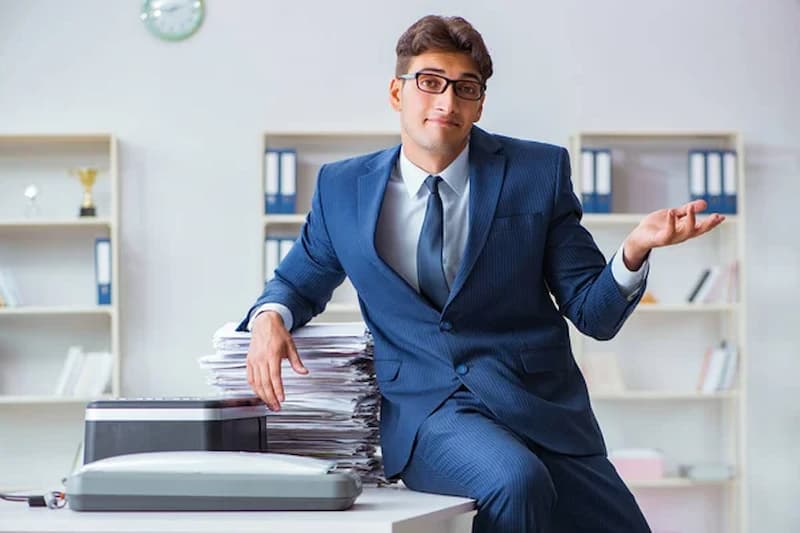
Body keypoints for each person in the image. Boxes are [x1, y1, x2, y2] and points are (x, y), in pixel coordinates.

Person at [238, 14, 724, 533]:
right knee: (515, 481)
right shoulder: (342, 187)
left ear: (480, 103)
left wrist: (633, 250)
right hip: (431, 415)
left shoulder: (536, 172)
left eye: (465, 88)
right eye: (430, 82)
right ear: (397, 92)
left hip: (539, 410)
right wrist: (270, 316)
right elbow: (297, 280)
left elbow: (592, 313)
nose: (446, 102)